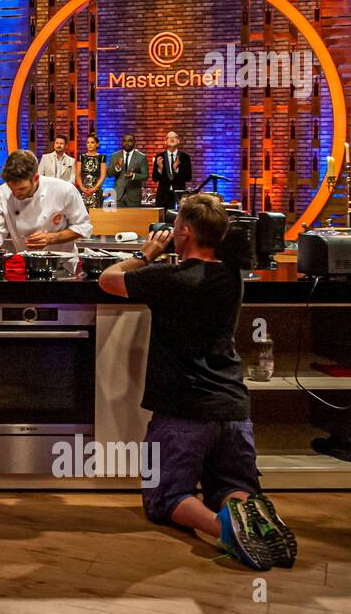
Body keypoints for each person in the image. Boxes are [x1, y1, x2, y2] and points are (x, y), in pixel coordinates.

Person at [97, 194, 296, 571]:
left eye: (174, 228)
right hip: (234, 411)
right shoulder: (233, 277)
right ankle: (243, 510)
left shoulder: (168, 278)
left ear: (184, 232)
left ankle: (222, 528)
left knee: (166, 498)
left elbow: (108, 280)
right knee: (230, 486)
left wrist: (147, 253)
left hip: (184, 412)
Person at [0, 149, 92, 253]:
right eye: (12, 188)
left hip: (64, 266)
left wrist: (50, 238)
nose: (16, 194)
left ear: (36, 178)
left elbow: (82, 227)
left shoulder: (64, 190)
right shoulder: (2, 193)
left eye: (22, 188)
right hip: (25, 265)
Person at [153, 130, 193, 210]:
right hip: (163, 196)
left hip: (179, 196)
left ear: (178, 141)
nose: (172, 139)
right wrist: (160, 168)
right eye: (169, 138)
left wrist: (176, 169)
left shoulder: (185, 157)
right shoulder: (159, 157)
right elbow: (155, 178)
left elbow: (188, 177)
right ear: (165, 142)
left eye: (174, 137)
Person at [108, 134, 147, 208]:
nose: (127, 143)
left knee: (133, 219)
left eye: (130, 141)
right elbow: (108, 174)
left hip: (134, 196)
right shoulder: (115, 156)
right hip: (118, 195)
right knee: (117, 219)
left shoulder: (141, 157)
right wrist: (117, 168)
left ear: (134, 143)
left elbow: (145, 175)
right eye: (124, 141)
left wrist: (133, 176)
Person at [75, 132, 107, 208]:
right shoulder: (81, 156)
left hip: (96, 189)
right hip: (83, 189)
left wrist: (95, 188)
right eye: (88, 142)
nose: (89, 144)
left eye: (92, 142)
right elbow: (78, 174)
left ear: (97, 144)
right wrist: (82, 187)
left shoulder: (102, 157)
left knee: (96, 215)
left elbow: (103, 175)